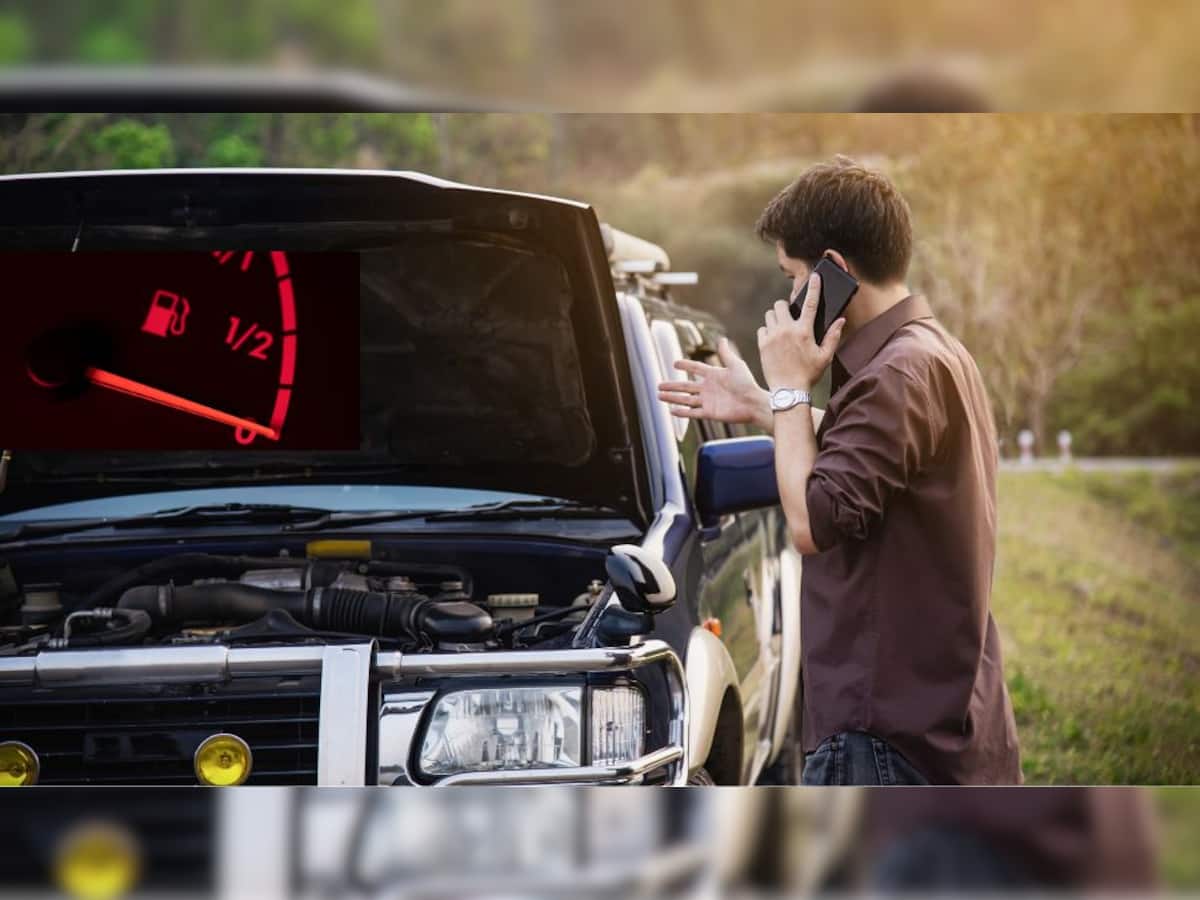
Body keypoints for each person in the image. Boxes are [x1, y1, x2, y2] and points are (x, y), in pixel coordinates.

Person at [657, 156, 1021, 784]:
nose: (791, 297)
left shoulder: (895, 374)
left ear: (834, 271)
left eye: (794, 277)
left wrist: (792, 386)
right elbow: (867, 459)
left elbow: (812, 520)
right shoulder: (928, 355)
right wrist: (764, 405)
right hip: (934, 730)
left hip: (884, 743)